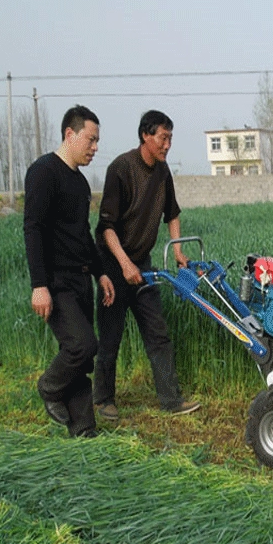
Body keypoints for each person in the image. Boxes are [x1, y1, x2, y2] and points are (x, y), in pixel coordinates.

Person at [93, 110, 199, 418]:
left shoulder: (163, 172)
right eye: (162, 138)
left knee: (157, 333)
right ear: (145, 135)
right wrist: (125, 265)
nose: (167, 145)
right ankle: (103, 400)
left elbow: (172, 214)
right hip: (114, 265)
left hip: (144, 264)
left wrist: (178, 251)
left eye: (170, 139)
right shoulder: (121, 169)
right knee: (110, 335)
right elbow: (106, 228)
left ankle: (171, 400)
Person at [23, 105, 115, 437]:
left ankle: (84, 431)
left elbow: (82, 234)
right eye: (91, 139)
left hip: (81, 278)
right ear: (69, 134)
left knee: (82, 360)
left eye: (97, 141)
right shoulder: (43, 172)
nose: (95, 147)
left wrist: (100, 272)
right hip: (56, 281)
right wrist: (39, 285)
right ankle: (49, 387)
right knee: (82, 345)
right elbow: (32, 228)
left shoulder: (79, 183)